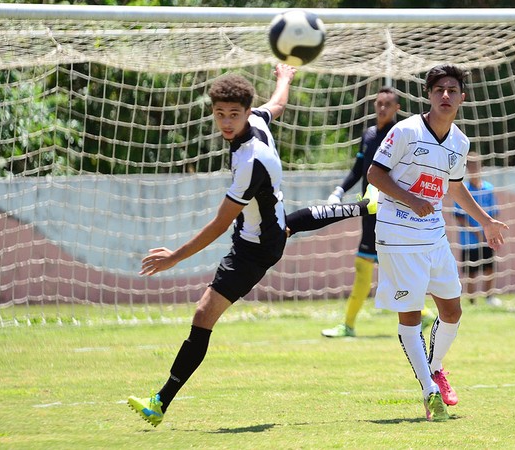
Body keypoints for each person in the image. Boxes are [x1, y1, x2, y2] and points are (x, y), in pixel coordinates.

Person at [127, 64, 379, 428]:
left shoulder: (250, 162)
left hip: (254, 248)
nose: (226, 122)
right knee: (290, 223)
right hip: (267, 226)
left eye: (233, 114)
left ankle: (160, 402)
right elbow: (276, 105)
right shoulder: (258, 121)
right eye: (220, 114)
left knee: (202, 316)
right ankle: (364, 205)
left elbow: (219, 223)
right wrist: (284, 79)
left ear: (246, 112)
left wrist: (174, 258)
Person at [367, 64, 508, 422]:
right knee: (411, 316)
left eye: (451, 90)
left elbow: (456, 187)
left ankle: (437, 367)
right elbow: (374, 173)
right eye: (438, 90)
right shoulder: (405, 131)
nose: (445, 95)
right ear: (429, 95)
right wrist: (410, 199)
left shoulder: (460, 142)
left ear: (462, 97)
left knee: (452, 311)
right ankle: (429, 391)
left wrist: (486, 221)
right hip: (397, 233)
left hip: (434, 233)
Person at [320, 87, 436, 338]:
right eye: (379, 103)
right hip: (369, 210)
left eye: (387, 104)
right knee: (371, 265)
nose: (382, 108)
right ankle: (421, 315)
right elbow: (358, 169)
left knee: (383, 265)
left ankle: (351, 325)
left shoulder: (401, 135)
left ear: (397, 109)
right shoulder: (369, 134)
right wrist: (339, 191)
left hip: (390, 211)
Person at [454, 150, 502, 306]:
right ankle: (472, 300)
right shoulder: (463, 189)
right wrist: (476, 232)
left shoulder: (488, 188)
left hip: (487, 238)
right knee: (472, 272)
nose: (474, 167)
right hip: (469, 240)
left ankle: (489, 298)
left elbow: (494, 211)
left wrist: (491, 230)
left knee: (489, 268)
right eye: (471, 164)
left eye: (476, 164)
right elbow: (459, 216)